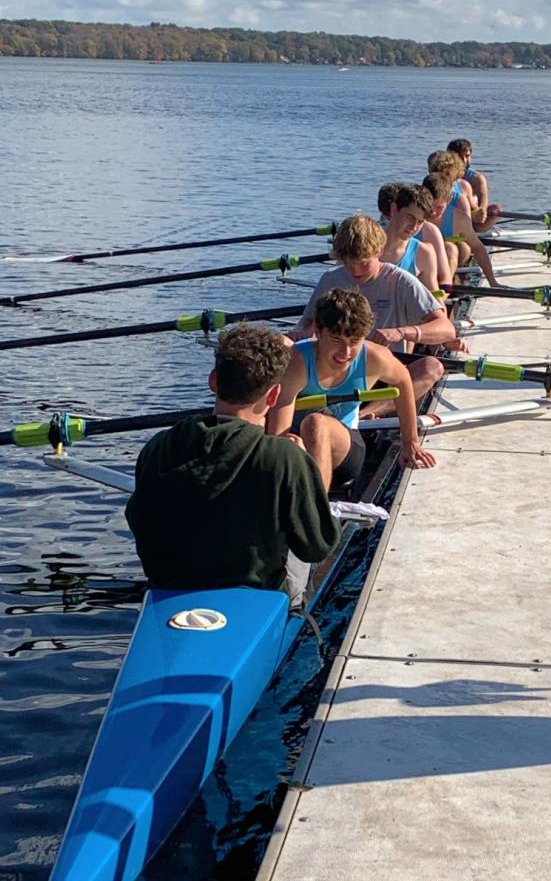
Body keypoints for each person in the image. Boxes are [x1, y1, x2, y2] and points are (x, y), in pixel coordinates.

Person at [124, 323, 339, 607]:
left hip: (168, 591)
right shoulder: (283, 457)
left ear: (213, 381)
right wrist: (305, 474)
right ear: (274, 396)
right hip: (253, 598)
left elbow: (138, 522)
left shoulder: (158, 447)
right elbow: (318, 545)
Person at [289, 213, 455, 417]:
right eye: (349, 264)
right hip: (335, 366)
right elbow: (307, 323)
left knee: (432, 367)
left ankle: (370, 412)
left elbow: (446, 328)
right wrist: (299, 333)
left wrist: (402, 332)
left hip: (382, 370)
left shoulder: (400, 281)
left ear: (379, 250)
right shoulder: (331, 278)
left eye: (363, 262)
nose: (355, 271)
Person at [268, 289, 435, 489]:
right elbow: (279, 435)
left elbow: (403, 380)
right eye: (337, 340)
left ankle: (315, 509)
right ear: (319, 333)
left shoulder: (375, 357)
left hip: (345, 450)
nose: (345, 353)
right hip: (298, 446)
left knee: (316, 423)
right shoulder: (298, 361)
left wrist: (410, 442)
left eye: (354, 341)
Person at [422, 169, 498, 287]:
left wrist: (493, 282)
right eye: (428, 205)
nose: (432, 212)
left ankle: (445, 286)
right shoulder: (412, 213)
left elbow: (478, 248)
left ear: (448, 200)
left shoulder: (459, 219)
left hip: (444, 263)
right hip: (419, 264)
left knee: (452, 248)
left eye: (438, 207)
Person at [379, 182, 440, 293]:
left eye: (420, 222)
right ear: (394, 210)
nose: (414, 227)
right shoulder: (366, 246)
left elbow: (435, 299)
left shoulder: (424, 254)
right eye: (410, 217)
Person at [447, 137, 501, 231]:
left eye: (467, 156)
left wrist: (475, 214)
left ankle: (472, 233)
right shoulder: (442, 175)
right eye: (460, 156)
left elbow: (482, 208)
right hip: (450, 217)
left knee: (496, 209)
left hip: (473, 220)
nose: (464, 160)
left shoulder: (477, 179)